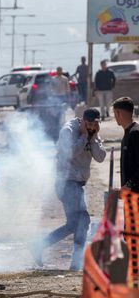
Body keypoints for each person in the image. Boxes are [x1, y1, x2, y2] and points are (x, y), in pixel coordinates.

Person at [32, 109, 106, 270]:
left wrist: (92, 138)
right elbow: (69, 153)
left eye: (95, 125)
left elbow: (100, 157)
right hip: (66, 182)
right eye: (89, 125)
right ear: (82, 121)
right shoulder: (68, 130)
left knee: (74, 224)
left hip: (78, 183)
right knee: (83, 221)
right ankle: (76, 262)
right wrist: (85, 136)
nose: (92, 128)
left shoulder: (93, 133)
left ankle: (40, 246)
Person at [113, 97, 139, 192]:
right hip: (130, 193)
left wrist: (130, 184)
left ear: (118, 113)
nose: (114, 117)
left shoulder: (135, 133)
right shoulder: (128, 132)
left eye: (114, 113)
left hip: (135, 193)